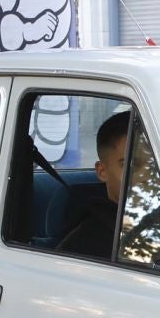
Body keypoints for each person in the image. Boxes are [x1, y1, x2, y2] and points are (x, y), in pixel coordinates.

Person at [55, 109, 132, 260]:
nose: (143, 175)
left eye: (152, 164)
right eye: (128, 165)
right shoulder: (80, 247)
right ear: (102, 171)